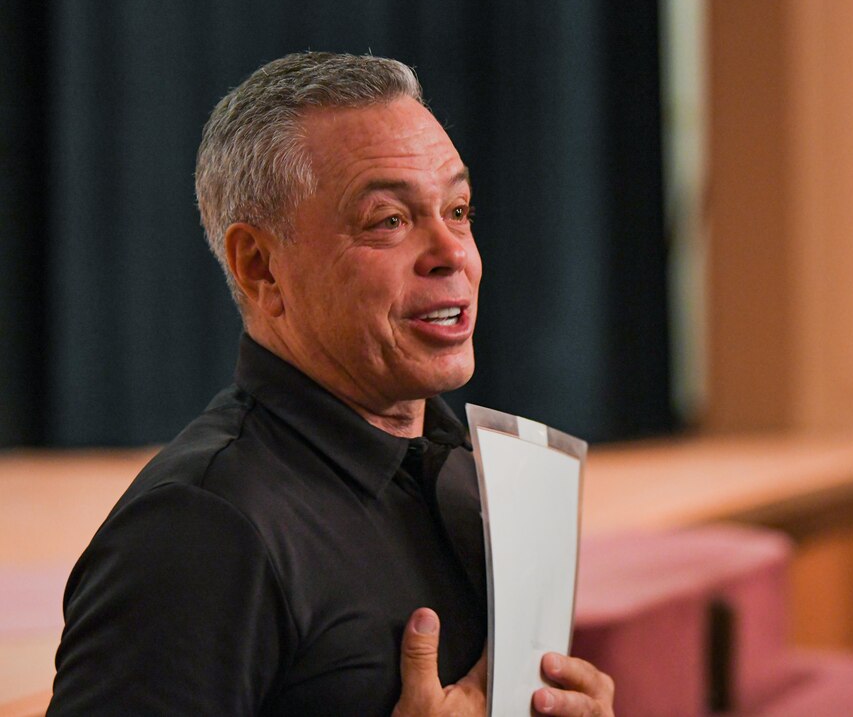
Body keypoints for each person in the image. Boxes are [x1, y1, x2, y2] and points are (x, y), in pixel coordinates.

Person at [49, 52, 614, 716]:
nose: (452, 252)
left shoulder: (473, 472)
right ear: (260, 267)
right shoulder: (199, 530)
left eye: (458, 210)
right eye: (389, 221)